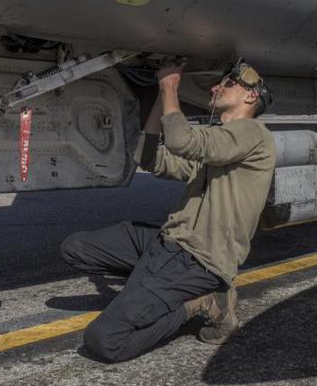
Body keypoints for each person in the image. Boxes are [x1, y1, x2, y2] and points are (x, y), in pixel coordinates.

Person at [60, 58, 277, 362]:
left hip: (198, 260)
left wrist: (170, 84)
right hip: (167, 243)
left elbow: (181, 140)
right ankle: (154, 288)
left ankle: (201, 302)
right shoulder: (219, 144)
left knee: (103, 341)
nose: (215, 87)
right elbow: (150, 159)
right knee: (76, 248)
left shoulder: (253, 134)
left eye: (227, 83)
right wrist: (159, 101)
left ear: (251, 96)